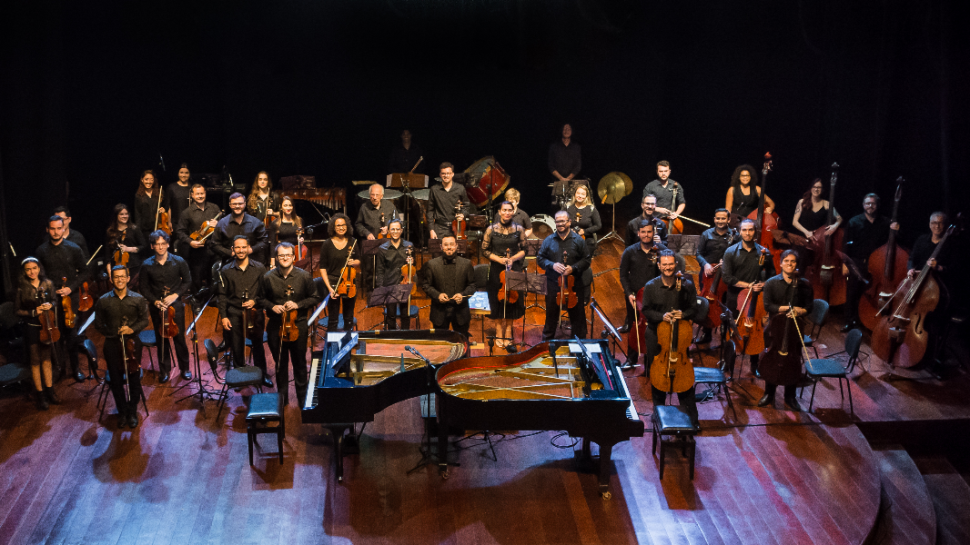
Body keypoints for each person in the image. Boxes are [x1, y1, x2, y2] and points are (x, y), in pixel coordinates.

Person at [640, 250, 699, 425]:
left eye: (671, 264)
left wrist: (683, 314)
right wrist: (662, 316)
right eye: (664, 264)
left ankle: (691, 417)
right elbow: (646, 311)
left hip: (680, 336)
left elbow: (693, 309)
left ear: (676, 265)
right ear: (659, 266)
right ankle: (659, 412)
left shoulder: (687, 285)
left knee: (683, 376)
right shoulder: (651, 286)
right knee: (657, 376)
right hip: (656, 335)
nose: (668, 267)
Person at [258, 242, 320, 406]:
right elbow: (260, 299)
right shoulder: (268, 277)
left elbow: (315, 297)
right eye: (281, 255)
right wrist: (272, 306)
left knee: (300, 363)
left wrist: (298, 305)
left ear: (294, 257)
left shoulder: (304, 276)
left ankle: (303, 399)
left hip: (298, 325)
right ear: (277, 258)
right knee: (280, 364)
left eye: (288, 255)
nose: (285, 258)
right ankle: (282, 400)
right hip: (275, 326)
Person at [619, 221, 686, 364]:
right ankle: (632, 357)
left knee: (655, 326)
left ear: (653, 233)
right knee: (634, 324)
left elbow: (673, 270)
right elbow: (623, 275)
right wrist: (629, 292)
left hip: (657, 296)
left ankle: (653, 358)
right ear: (638, 233)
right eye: (643, 232)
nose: (646, 235)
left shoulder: (661, 250)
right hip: (635, 296)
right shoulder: (630, 251)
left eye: (649, 232)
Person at [94, 265, 150, 429]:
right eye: (116, 277)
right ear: (112, 279)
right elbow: (98, 325)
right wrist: (114, 333)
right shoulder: (103, 300)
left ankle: (132, 411)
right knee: (116, 381)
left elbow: (144, 320)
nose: (119, 280)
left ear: (127, 278)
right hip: (112, 344)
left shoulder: (137, 299)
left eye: (122, 276)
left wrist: (131, 329)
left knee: (134, 379)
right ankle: (122, 411)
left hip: (132, 342)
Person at [35, 215, 89, 382]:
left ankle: (76, 368)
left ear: (64, 228)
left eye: (59, 228)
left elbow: (86, 272)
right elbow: (39, 276)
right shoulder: (41, 251)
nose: (56, 232)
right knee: (54, 335)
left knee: (71, 335)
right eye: (53, 229)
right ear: (47, 230)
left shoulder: (73, 248)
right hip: (51, 300)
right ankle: (60, 368)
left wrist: (70, 288)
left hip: (69, 299)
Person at [759, 250, 814, 411]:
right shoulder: (771, 283)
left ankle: (790, 396)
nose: (790, 264)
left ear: (796, 265)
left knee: (793, 361)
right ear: (781, 263)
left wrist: (800, 311)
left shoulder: (805, 285)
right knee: (772, 359)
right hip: (775, 328)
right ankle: (769, 393)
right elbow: (768, 306)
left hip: (795, 330)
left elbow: (809, 307)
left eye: (793, 262)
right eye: (787, 261)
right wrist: (788, 308)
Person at [722, 218, 776, 375]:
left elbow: (772, 276)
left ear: (755, 232)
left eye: (750, 230)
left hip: (755, 300)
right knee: (731, 331)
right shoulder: (730, 252)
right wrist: (748, 285)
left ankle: (754, 364)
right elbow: (727, 278)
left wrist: (763, 285)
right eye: (744, 230)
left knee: (754, 330)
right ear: (739, 232)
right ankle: (727, 362)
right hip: (734, 298)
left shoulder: (764, 253)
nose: (747, 233)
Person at [217, 236, 273, 387]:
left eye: (243, 247)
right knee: (237, 345)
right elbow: (222, 295)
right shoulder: (225, 270)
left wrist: (255, 300)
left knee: (257, 344)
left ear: (248, 248)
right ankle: (240, 377)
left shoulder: (260, 268)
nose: (241, 250)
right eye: (237, 248)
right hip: (234, 311)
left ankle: (261, 374)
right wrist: (224, 316)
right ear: (233, 250)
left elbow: (265, 292)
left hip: (254, 312)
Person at [140, 230, 192, 383]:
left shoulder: (179, 261)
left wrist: (175, 295)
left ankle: (185, 368)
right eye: (157, 244)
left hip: (175, 305)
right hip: (158, 306)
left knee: (179, 338)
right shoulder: (146, 265)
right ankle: (164, 370)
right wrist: (155, 301)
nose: (161, 247)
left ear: (168, 244)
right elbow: (144, 288)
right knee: (161, 339)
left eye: (163, 244)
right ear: (152, 246)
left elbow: (187, 281)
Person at [841, 193, 899, 331]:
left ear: (877, 205)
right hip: (856, 263)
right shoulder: (854, 222)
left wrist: (896, 230)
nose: (870, 206)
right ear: (863, 205)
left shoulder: (886, 223)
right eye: (867, 203)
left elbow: (893, 242)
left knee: (868, 295)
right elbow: (846, 244)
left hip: (876, 266)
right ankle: (849, 321)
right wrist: (844, 263)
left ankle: (865, 321)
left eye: (873, 203)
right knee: (852, 293)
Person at [15, 258, 62, 409]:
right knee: (35, 361)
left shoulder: (47, 283)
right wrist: (34, 311)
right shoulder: (21, 288)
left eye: (34, 268)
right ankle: (40, 395)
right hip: (32, 327)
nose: (32, 272)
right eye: (28, 269)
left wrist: (50, 304)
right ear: (24, 271)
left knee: (47, 359)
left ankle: (50, 391)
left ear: (39, 268)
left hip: (47, 325)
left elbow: (55, 301)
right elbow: (17, 311)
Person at [538, 210, 592, 340]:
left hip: (574, 285)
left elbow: (586, 260)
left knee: (577, 318)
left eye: (563, 221)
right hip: (553, 284)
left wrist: (573, 268)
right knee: (551, 317)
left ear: (569, 222)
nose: (560, 224)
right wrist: (552, 265)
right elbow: (540, 259)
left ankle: (579, 347)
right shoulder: (548, 240)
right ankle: (547, 347)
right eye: (557, 221)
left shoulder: (578, 241)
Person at [482, 202, 527, 349]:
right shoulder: (491, 229)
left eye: (509, 210)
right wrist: (499, 259)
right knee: (497, 299)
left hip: (514, 268)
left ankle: (508, 330)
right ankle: (498, 330)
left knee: (512, 299)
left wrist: (512, 259)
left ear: (513, 212)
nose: (507, 213)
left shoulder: (519, 229)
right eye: (504, 210)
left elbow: (524, 250)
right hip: (496, 268)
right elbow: (485, 250)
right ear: (500, 212)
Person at [695, 209, 740, 343]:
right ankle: (706, 333)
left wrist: (728, 261)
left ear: (728, 220)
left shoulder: (735, 235)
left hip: (726, 275)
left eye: (723, 219)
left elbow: (738, 253)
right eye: (718, 219)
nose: (720, 221)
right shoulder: (706, 234)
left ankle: (724, 333)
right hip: (707, 275)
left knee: (725, 303)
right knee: (706, 304)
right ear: (714, 219)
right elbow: (698, 254)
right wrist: (705, 265)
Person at [420, 235, 477, 338]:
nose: (449, 247)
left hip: (461, 312)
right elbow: (426, 285)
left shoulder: (466, 264)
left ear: (456, 246)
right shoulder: (432, 264)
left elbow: (472, 285)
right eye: (446, 245)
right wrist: (437, 295)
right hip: (439, 312)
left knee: (462, 344)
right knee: (440, 345)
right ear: (441, 247)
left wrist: (463, 295)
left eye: (451, 244)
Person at [175, 183, 221, 295]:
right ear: (192, 195)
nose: (200, 196)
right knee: (197, 279)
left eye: (202, 193)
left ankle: (212, 300)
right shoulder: (187, 212)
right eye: (197, 194)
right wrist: (190, 242)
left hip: (214, 249)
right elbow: (180, 231)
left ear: (205, 193)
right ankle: (197, 301)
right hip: (197, 251)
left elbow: (225, 227)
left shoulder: (215, 208)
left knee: (213, 277)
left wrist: (219, 224)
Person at [319, 214, 360, 332]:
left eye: (343, 225)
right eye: (338, 225)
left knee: (348, 317)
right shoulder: (327, 244)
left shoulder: (353, 241)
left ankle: (347, 345)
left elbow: (358, 260)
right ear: (333, 227)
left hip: (350, 283)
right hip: (333, 284)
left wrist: (353, 262)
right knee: (333, 319)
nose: (341, 227)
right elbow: (322, 268)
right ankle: (332, 347)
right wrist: (329, 288)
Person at [210, 192, 269, 267]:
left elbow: (264, 241)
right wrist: (230, 253)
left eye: (240, 203)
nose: (237, 206)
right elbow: (214, 244)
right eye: (234, 204)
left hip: (252, 264)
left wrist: (251, 249)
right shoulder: (222, 223)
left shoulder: (256, 222)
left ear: (245, 204)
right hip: (230, 265)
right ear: (230, 205)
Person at [375, 219, 415, 330]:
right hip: (389, 285)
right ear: (388, 231)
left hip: (404, 284)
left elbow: (413, 267)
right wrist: (381, 289)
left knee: (405, 314)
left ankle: (405, 336)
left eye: (398, 229)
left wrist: (411, 261)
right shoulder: (382, 249)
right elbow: (380, 270)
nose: (395, 231)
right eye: (392, 229)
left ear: (401, 230)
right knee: (391, 315)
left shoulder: (409, 246)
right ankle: (392, 336)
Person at [791, 178, 842, 248]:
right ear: (811, 188)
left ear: (822, 190)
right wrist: (807, 232)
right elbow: (794, 222)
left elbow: (839, 219)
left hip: (819, 241)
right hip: (802, 239)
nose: (816, 189)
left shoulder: (826, 204)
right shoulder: (802, 202)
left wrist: (834, 226)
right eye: (814, 187)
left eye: (819, 187)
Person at [427, 162, 472, 240]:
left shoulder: (460, 188)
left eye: (448, 173)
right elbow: (430, 211)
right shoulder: (434, 189)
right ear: (440, 174)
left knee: (456, 251)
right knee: (438, 251)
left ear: (452, 174)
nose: (446, 176)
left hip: (456, 227)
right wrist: (431, 229)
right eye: (443, 173)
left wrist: (463, 214)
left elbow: (466, 205)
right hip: (439, 228)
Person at [105, 204, 147, 282]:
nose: (125, 216)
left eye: (126, 214)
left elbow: (144, 246)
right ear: (116, 216)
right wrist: (110, 273)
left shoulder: (134, 229)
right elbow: (108, 255)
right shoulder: (110, 232)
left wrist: (128, 249)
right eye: (121, 214)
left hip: (134, 267)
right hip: (117, 267)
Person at [162, 163, 194, 252]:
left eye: (186, 173)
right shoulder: (171, 187)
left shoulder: (192, 188)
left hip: (189, 222)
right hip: (175, 222)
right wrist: (169, 222)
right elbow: (168, 206)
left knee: (187, 246)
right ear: (178, 173)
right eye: (181, 172)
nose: (184, 175)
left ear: (190, 174)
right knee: (175, 245)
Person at [269, 196, 304, 268]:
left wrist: (301, 240)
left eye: (290, 205)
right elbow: (272, 244)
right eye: (285, 205)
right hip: (281, 255)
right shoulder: (275, 223)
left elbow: (303, 237)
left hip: (295, 255)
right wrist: (272, 264)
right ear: (281, 207)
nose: (288, 208)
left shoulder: (299, 221)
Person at [132, 170, 165, 241]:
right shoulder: (138, 196)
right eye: (146, 179)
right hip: (145, 230)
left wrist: (163, 209)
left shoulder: (160, 192)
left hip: (158, 227)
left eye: (151, 179)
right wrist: (138, 232)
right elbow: (137, 215)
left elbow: (166, 207)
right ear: (142, 180)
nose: (149, 182)